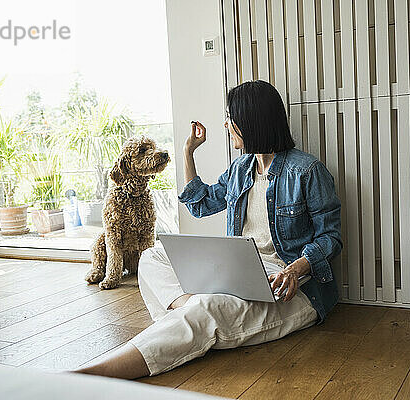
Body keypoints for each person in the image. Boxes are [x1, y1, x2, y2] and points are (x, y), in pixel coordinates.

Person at [74, 80, 342, 379]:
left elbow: (330, 237)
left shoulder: (306, 170)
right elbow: (200, 204)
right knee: (152, 258)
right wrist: (188, 152)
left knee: (206, 309)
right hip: (241, 276)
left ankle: (90, 374)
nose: (226, 124)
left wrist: (294, 269)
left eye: (231, 117)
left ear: (251, 121)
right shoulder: (242, 168)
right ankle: (193, 316)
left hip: (289, 286)